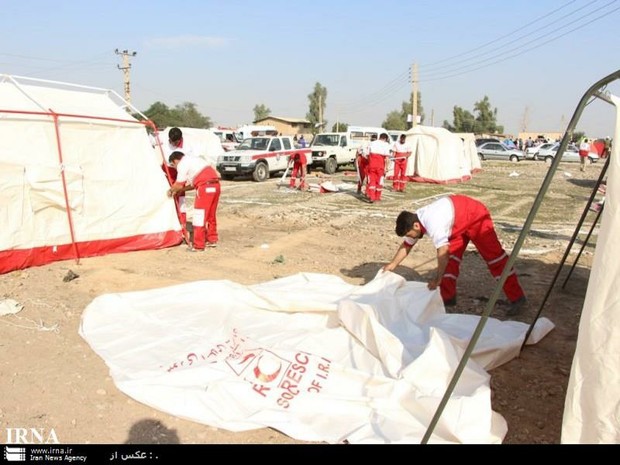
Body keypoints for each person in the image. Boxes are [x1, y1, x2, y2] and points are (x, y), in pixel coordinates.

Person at [382, 194, 527, 316]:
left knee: (495, 258)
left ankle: (517, 298)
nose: (412, 237)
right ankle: (447, 297)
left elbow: (442, 252)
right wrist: (393, 264)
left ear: (415, 226)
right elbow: (407, 245)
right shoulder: (416, 220)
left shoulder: (433, 223)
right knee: (451, 261)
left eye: (410, 234)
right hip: (456, 224)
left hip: (475, 216)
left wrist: (437, 279)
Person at [167, 151, 221, 251]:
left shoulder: (182, 164)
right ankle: (212, 239)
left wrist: (170, 191)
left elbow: (178, 184)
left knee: (199, 216)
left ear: (175, 161)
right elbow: (192, 185)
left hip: (204, 187)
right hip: (215, 185)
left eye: (173, 165)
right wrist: (182, 190)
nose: (174, 168)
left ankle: (199, 245)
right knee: (211, 215)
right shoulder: (195, 160)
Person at [366, 133, 392, 202]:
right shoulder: (386, 145)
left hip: (372, 164)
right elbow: (387, 158)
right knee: (379, 181)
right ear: (385, 139)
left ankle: (372, 197)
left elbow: (367, 155)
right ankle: (377, 197)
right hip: (380, 165)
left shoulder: (371, 143)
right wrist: (387, 167)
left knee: (372, 181)